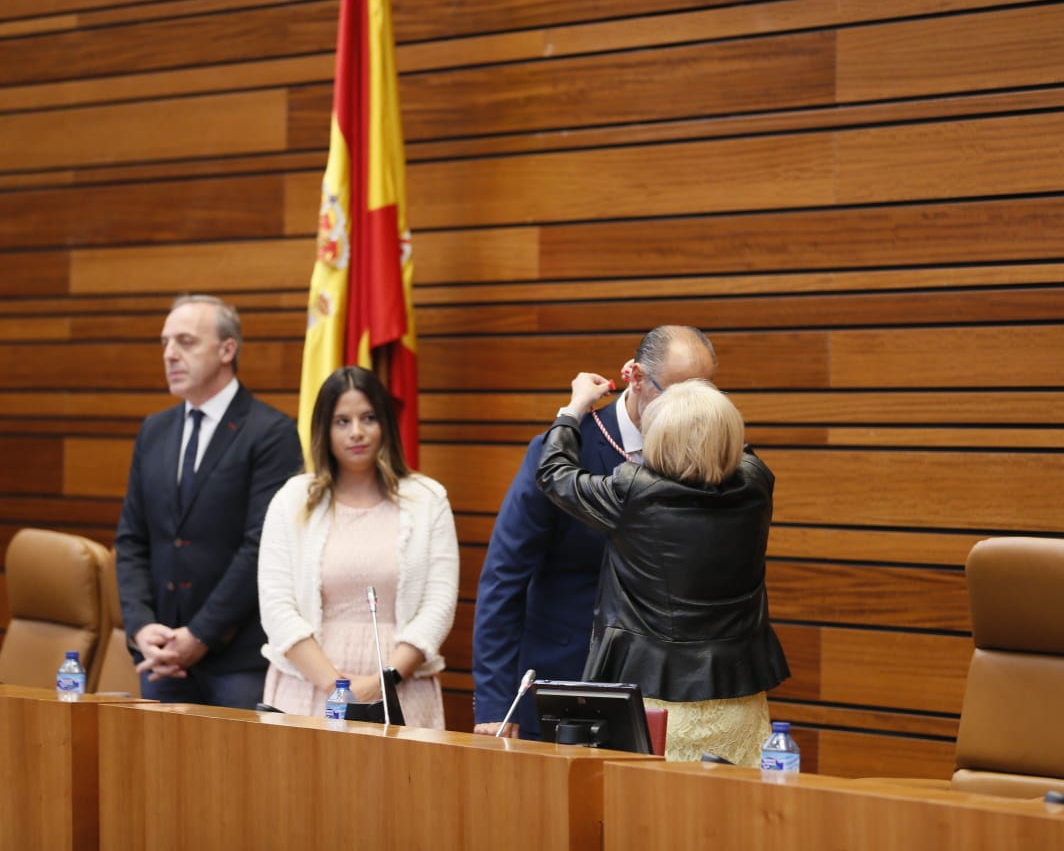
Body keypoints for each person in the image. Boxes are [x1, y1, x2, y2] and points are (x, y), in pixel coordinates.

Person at [472, 326, 718, 738]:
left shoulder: (706, 453)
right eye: (675, 396)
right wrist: (497, 704)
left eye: (704, 395)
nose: (691, 412)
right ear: (636, 378)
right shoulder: (567, 449)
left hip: (669, 690)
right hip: (565, 678)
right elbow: (504, 577)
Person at [536, 375, 790, 765]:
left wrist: (573, 410)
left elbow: (554, 474)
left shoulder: (632, 493)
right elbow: (731, 445)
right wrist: (700, 405)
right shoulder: (757, 484)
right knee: (736, 814)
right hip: (738, 693)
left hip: (654, 700)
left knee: (657, 816)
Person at [115, 295, 302, 708]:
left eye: (185, 342)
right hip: (162, 658)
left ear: (226, 350)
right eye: (165, 343)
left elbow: (261, 547)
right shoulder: (155, 431)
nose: (170, 355)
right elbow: (132, 540)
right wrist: (142, 628)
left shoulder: (271, 433)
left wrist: (200, 635)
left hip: (238, 662)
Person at [257, 365, 459, 727]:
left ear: (385, 424)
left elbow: (438, 605)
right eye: (342, 421)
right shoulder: (292, 500)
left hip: (403, 686)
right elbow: (276, 606)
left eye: (368, 418)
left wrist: (382, 682)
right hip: (307, 686)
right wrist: (337, 687)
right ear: (324, 429)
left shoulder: (428, 499)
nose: (357, 432)